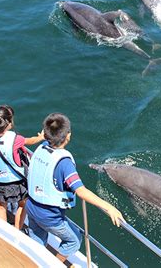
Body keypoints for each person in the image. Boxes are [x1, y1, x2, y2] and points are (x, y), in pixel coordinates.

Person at [26, 113, 124, 266]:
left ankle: (34, 262)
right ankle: (51, 264)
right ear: (68, 136)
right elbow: (81, 191)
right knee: (74, 240)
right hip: (50, 216)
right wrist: (109, 207)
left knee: (37, 238)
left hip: (31, 207)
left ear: (45, 134)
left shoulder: (41, 148)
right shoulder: (64, 163)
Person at [0, 105, 44, 230]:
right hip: (15, 182)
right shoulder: (14, 139)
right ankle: (16, 231)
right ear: (9, 123)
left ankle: (3, 231)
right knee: (23, 204)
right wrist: (41, 137)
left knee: (1, 205)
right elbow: (31, 141)